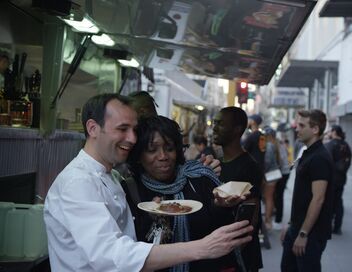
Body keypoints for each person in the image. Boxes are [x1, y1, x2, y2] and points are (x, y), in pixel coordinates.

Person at [44, 93, 253, 272]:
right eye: (122, 129)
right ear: (93, 128)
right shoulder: (78, 182)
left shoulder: (113, 177)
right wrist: (202, 248)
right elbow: (111, 255)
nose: (132, 138)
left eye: (134, 130)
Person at [126, 115, 249, 272]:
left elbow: (223, 231)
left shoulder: (199, 178)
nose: (163, 156)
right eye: (152, 150)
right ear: (138, 156)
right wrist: (154, 220)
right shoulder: (130, 190)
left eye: (169, 148)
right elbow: (130, 250)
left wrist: (221, 206)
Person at [280, 109, 334, 272]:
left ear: (315, 129)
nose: (296, 128)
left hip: (310, 234)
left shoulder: (319, 157)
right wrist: (291, 226)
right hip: (297, 227)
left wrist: (303, 234)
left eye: (302, 125)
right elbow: (302, 197)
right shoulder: (308, 153)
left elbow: (318, 199)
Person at [213, 107, 263, 272]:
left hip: (237, 259)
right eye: (214, 123)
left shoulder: (249, 167)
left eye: (220, 124)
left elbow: (251, 217)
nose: (214, 127)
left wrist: (234, 254)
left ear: (237, 130)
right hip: (217, 252)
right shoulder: (215, 163)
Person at [325, 125, 351, 235]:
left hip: (331, 179)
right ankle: (337, 227)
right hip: (341, 178)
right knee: (338, 201)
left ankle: (327, 227)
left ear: (334, 132)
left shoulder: (330, 145)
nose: (329, 133)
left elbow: (326, 163)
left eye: (330, 130)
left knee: (328, 202)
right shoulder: (346, 145)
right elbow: (348, 162)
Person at [263, 127, 281, 231]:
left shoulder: (269, 145)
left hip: (270, 174)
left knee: (268, 198)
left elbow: (268, 161)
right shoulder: (274, 144)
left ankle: (267, 220)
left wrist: (263, 172)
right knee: (269, 198)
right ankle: (268, 219)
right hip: (273, 174)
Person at [273, 139, 291, 230]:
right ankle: (277, 216)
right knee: (277, 196)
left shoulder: (278, 146)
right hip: (283, 172)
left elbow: (282, 161)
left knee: (279, 196)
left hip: (282, 173)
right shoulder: (280, 145)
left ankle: (278, 220)